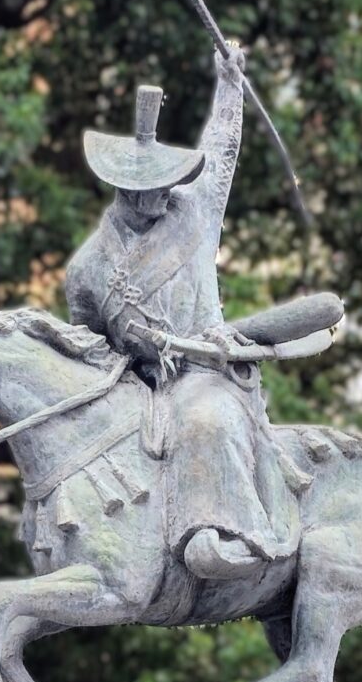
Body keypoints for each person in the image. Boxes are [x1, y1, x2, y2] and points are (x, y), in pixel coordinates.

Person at [64, 45, 299, 580]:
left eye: (164, 184)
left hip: (205, 372)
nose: (160, 195)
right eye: (147, 189)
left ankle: (229, 536)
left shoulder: (195, 211)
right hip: (135, 386)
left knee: (204, 417)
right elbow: (88, 343)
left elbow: (220, 151)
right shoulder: (87, 270)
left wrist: (230, 84)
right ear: (122, 186)